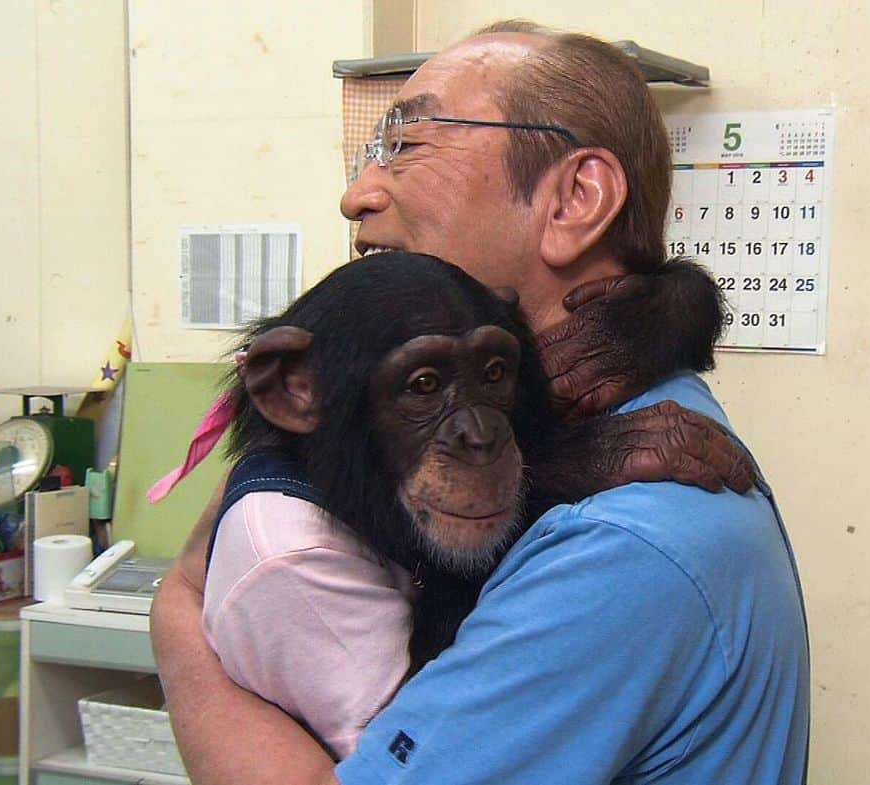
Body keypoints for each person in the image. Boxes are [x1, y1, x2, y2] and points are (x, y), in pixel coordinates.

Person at [151, 20, 810, 785]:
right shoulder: (581, 400)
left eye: (408, 142)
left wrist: (180, 611)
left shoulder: (612, 544)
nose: (356, 193)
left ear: (574, 198)